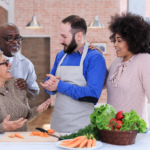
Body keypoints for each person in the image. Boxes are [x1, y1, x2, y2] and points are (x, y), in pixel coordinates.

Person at [40, 15, 107, 133]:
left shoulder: (95, 57)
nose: (60, 41)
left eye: (64, 37)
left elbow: (92, 95)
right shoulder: (61, 55)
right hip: (57, 126)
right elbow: (50, 85)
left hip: (82, 130)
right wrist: (49, 86)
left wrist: (59, 85)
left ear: (79, 36)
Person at [106, 12, 150, 128]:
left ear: (132, 40)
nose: (115, 44)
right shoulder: (116, 61)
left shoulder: (145, 60)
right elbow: (105, 82)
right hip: (112, 129)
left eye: (119, 41)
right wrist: (97, 58)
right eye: (114, 40)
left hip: (134, 132)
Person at [0, 51, 50, 132]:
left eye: (8, 61)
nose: (10, 64)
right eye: (4, 62)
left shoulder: (16, 84)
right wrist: (2, 127)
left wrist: (37, 110)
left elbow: (26, 116)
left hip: (22, 141)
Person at [0, 23, 39, 101]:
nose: (15, 42)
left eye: (17, 37)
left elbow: (35, 95)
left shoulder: (27, 64)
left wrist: (25, 90)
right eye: (10, 38)